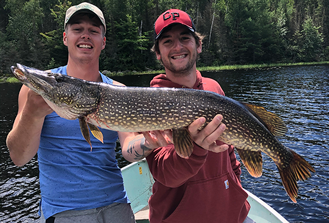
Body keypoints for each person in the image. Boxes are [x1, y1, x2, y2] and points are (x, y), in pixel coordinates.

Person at [6, 3, 226, 223]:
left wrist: (149, 144)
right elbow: (19, 157)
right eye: (77, 29)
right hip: (65, 212)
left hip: (116, 205)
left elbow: (129, 149)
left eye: (93, 30)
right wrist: (33, 114)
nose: (85, 35)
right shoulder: (35, 92)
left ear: (103, 41)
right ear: (65, 37)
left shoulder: (119, 91)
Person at [143, 9, 252, 223]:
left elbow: (229, 149)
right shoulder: (148, 101)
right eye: (167, 42)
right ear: (158, 52)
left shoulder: (214, 87)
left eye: (185, 38)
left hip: (231, 214)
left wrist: (235, 188)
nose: (177, 47)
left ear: (198, 45)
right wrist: (196, 149)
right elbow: (166, 174)